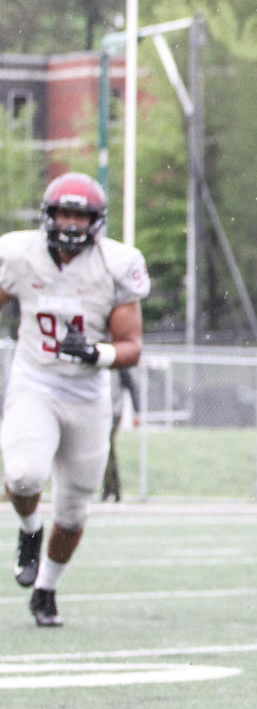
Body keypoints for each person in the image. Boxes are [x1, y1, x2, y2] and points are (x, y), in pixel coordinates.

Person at [0, 173, 148, 627]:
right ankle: (29, 531)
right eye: (63, 212)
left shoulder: (115, 263)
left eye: (79, 214)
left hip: (87, 393)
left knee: (74, 509)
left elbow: (132, 347)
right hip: (36, 381)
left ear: (95, 221)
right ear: (48, 216)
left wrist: (98, 353)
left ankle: (47, 587)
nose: (70, 222)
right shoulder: (18, 254)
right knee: (23, 476)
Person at [100, 367, 140, 503]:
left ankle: (112, 490)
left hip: (114, 413)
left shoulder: (120, 368)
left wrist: (137, 411)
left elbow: (132, 386)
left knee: (107, 448)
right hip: (100, 413)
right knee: (106, 450)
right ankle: (112, 489)